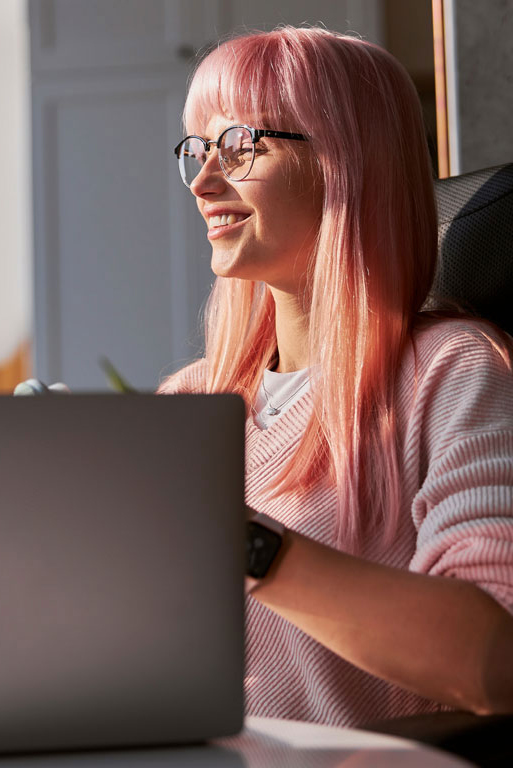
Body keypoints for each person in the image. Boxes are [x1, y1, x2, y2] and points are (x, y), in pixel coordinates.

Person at [160, 26, 513, 726]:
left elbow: (496, 666)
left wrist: (246, 544)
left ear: (344, 161)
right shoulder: (188, 401)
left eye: (237, 146)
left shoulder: (453, 371)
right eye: (198, 151)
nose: (203, 181)